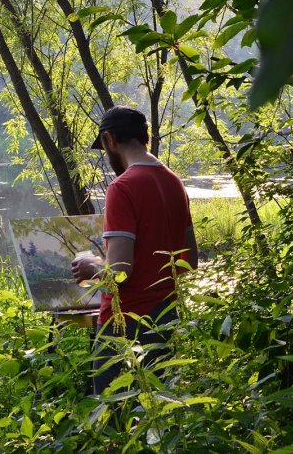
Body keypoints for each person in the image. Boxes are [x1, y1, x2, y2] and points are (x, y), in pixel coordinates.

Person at [71, 105, 198, 396]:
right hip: (166, 318)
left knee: (113, 409)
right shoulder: (174, 182)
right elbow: (189, 261)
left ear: (109, 139)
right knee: (158, 406)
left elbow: (119, 273)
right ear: (145, 138)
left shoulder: (122, 187)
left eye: (104, 147)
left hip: (124, 323)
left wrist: (92, 267)